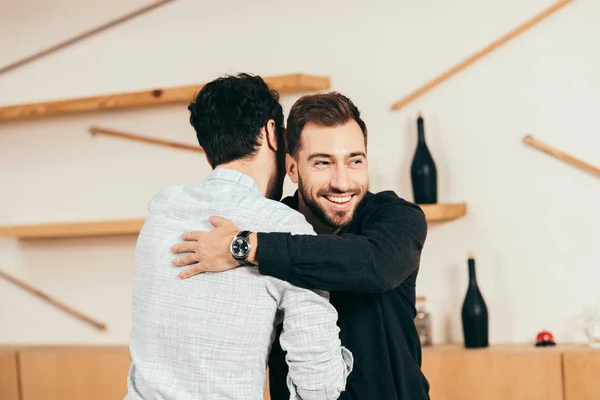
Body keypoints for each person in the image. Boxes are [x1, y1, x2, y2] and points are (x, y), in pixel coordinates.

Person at [171, 91, 431, 399]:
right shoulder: (268, 225)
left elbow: (375, 265)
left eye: (355, 161)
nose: (343, 181)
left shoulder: (397, 217)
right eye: (323, 162)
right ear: (292, 169)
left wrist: (247, 249)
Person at [126, 74, 353, 400]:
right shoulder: (286, 227)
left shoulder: (162, 211)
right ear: (273, 133)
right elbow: (318, 385)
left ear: (209, 153)